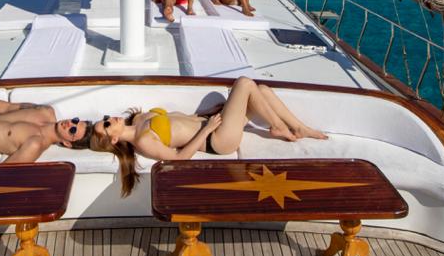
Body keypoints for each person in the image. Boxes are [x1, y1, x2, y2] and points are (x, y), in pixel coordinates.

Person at [89, 76, 327, 195]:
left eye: (107, 118)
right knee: (244, 83)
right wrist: (207, 129)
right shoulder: (143, 141)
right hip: (218, 139)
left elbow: (178, 121)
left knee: (261, 90)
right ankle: (279, 127)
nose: (111, 118)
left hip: (213, 122)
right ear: (114, 139)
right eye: (108, 124)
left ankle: (299, 127)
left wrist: (202, 116)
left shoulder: (139, 119)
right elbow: (179, 158)